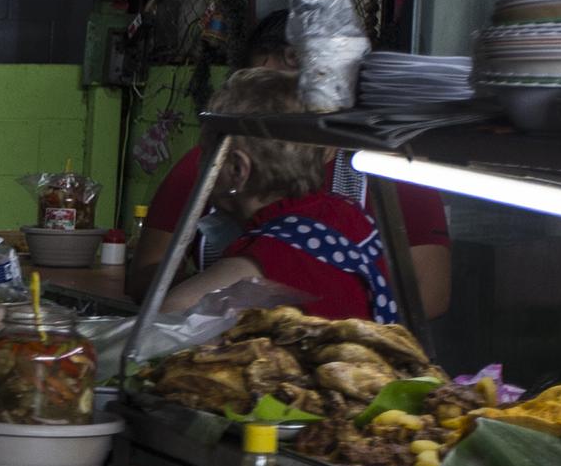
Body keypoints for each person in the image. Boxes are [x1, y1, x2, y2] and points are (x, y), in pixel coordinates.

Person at [130, 57, 452, 319]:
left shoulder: (261, 259)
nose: (201, 166)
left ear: (238, 170)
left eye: (210, 154)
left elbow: (167, 314)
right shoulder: (347, 220)